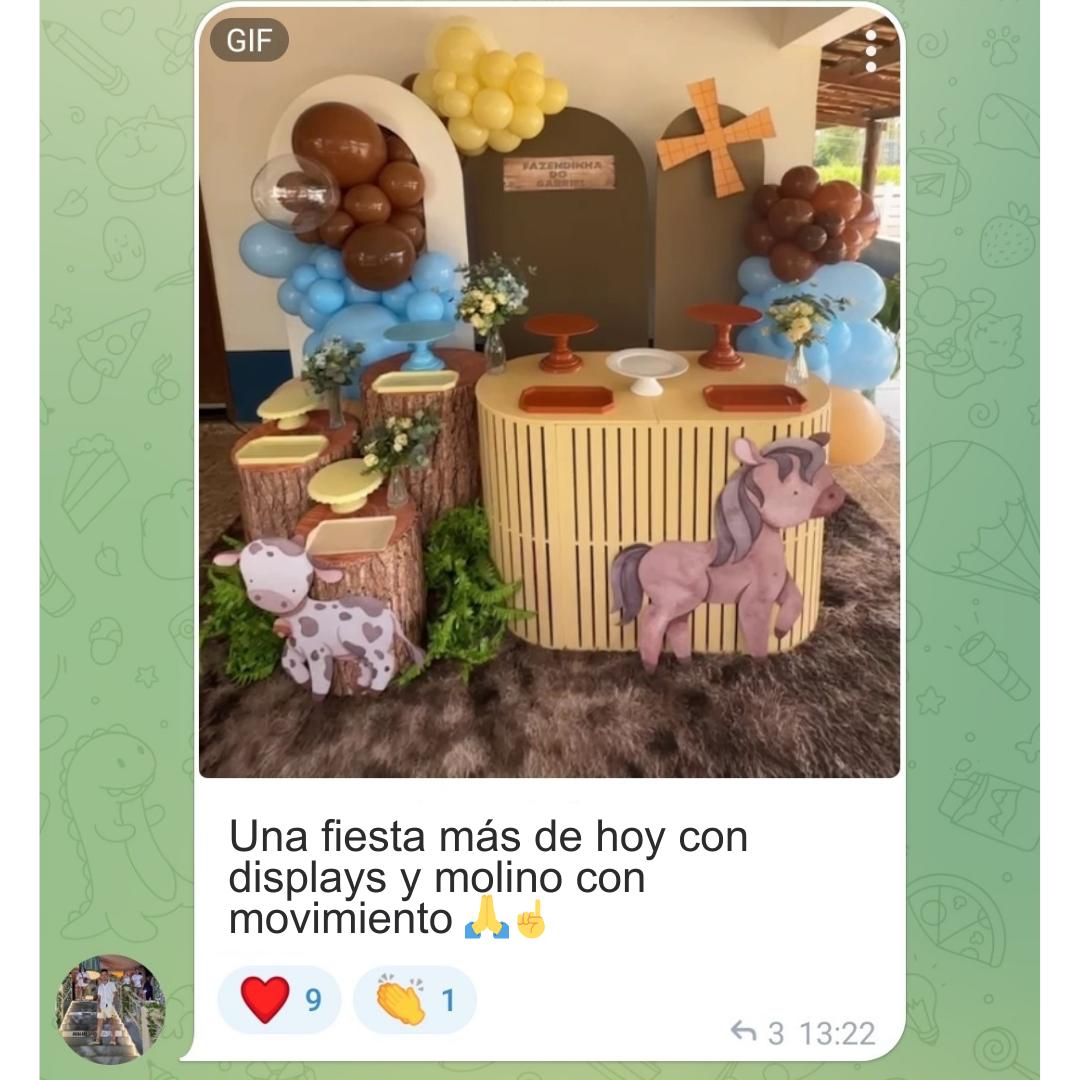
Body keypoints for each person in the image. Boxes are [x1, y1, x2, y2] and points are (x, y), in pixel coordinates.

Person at [94, 972, 120, 1046]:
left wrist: (113, 1002)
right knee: (99, 1023)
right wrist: (98, 1006)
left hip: (109, 1005)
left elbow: (116, 994)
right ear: (101, 977)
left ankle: (113, 1040)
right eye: (102, 975)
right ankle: (97, 1040)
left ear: (107, 976)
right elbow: (99, 997)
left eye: (105, 975)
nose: (104, 976)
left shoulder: (112, 984)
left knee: (112, 1022)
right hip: (102, 1006)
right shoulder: (100, 986)